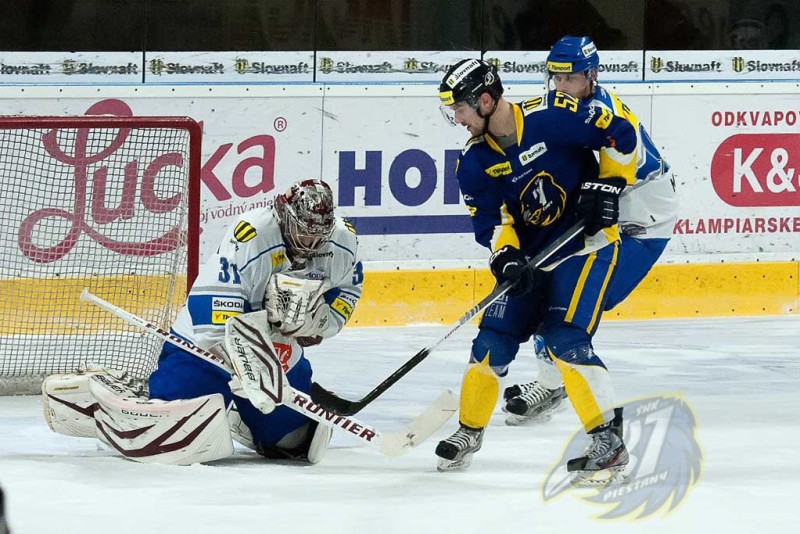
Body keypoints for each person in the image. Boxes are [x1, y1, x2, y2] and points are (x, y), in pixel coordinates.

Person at [43, 179, 363, 465]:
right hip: (206, 350)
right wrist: (247, 363)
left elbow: (348, 289)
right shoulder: (250, 234)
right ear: (283, 215)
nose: (308, 242)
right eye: (301, 231)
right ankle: (105, 394)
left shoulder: (342, 240)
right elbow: (212, 304)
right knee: (173, 429)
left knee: (290, 439)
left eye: (316, 234)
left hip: (278, 351)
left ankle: (243, 413)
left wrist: (322, 325)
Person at [436, 58, 637, 482]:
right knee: (493, 339)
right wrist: (505, 257)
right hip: (531, 259)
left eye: (460, 110)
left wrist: (609, 184)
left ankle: (608, 443)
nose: (457, 120)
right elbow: (491, 224)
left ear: (485, 100)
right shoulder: (472, 163)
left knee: (564, 337)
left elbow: (622, 132)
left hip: (585, 247)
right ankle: (469, 431)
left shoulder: (553, 115)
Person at [503, 36, 678, 426]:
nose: (561, 87)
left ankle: (557, 388)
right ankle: (551, 383)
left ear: (592, 76)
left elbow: (640, 166)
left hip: (643, 223)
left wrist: (604, 186)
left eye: (570, 79)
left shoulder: (606, 113)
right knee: (544, 286)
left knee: (570, 309)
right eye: (556, 79)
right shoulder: (558, 110)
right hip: (606, 223)